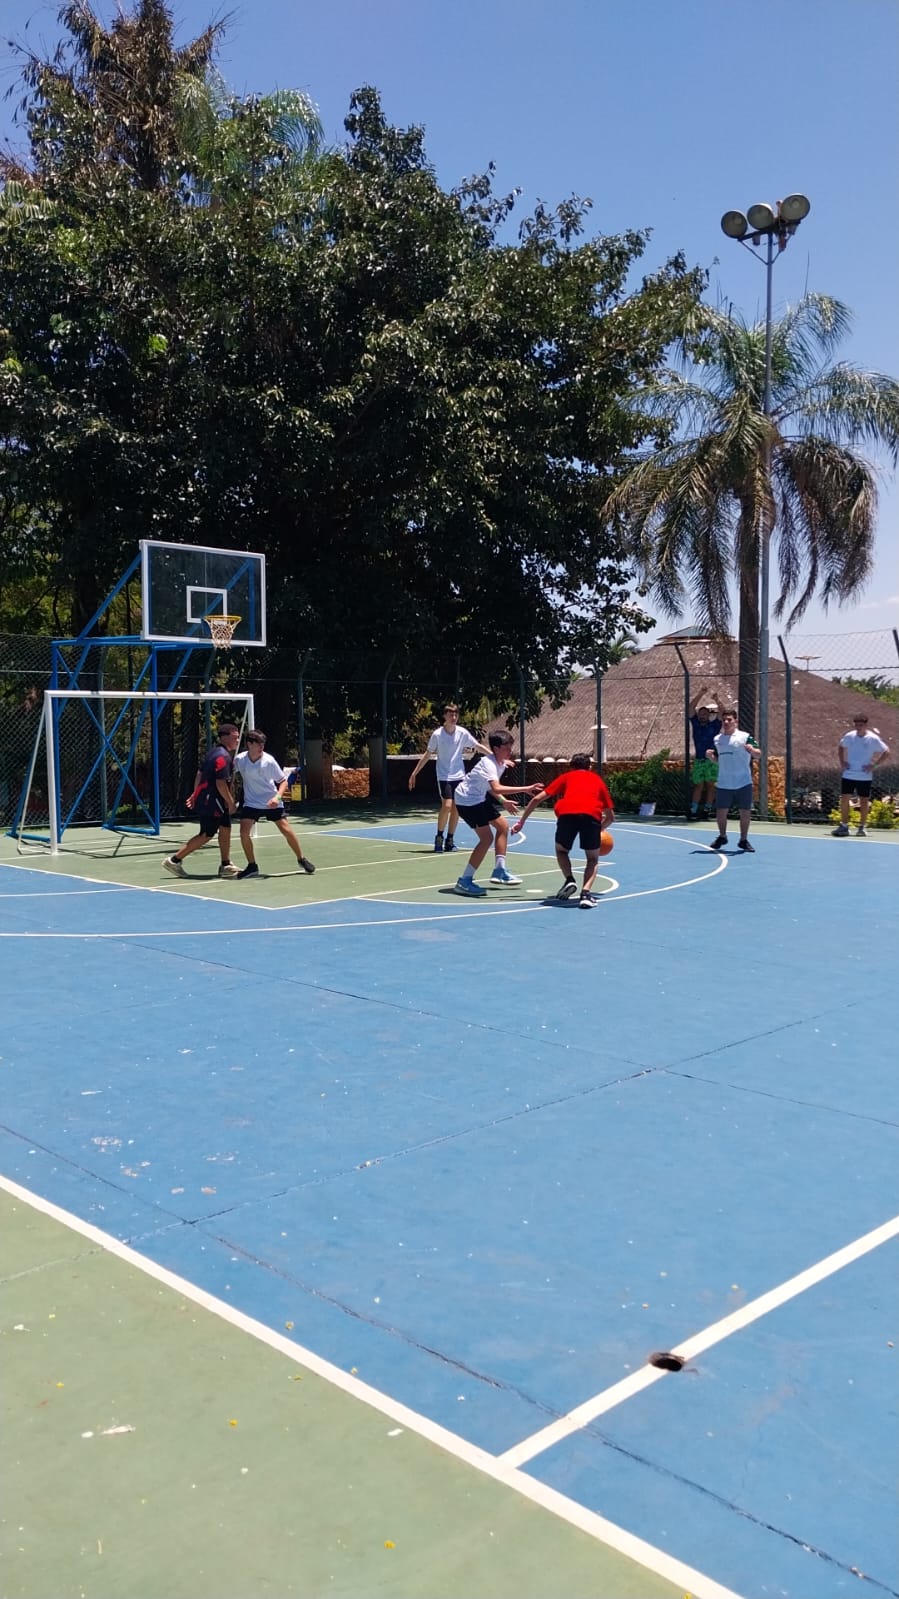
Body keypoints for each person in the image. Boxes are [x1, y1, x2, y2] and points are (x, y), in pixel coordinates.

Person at [511, 753, 614, 908]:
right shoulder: (597, 780)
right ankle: (585, 894)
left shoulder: (566, 777)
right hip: (591, 815)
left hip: (567, 814)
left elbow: (537, 799)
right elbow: (610, 817)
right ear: (590, 766)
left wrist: (521, 822)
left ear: (571, 766)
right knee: (592, 859)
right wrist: (599, 829)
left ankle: (569, 879)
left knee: (561, 851)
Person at [450, 731, 542, 896]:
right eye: (506, 748)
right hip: (467, 801)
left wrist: (503, 801)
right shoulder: (489, 764)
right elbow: (496, 788)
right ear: (496, 748)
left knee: (503, 826)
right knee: (486, 839)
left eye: (510, 747)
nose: (510, 751)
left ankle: (499, 870)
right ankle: (464, 881)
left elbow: (490, 788)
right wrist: (525, 788)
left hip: (478, 798)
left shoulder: (500, 763)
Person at [408, 705, 492, 853]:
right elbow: (427, 754)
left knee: (456, 808)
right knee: (447, 805)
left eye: (455, 715)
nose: (453, 717)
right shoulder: (437, 734)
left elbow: (477, 746)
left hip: (459, 776)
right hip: (444, 776)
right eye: (450, 715)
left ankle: (450, 840)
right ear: (445, 716)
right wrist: (414, 773)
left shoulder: (462, 733)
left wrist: (494, 757)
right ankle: (439, 837)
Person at [232, 730, 316, 878]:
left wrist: (277, 798)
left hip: (271, 801)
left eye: (263, 744)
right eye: (258, 743)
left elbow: (283, 781)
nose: (261, 747)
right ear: (249, 744)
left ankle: (301, 858)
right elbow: (230, 776)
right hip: (251, 803)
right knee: (244, 833)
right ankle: (252, 866)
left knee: (286, 830)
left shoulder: (269, 761)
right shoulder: (240, 760)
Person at [164, 723, 241, 878]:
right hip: (212, 801)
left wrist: (195, 794)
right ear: (224, 737)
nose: (238, 740)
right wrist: (231, 802)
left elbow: (200, 774)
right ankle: (174, 860)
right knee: (206, 834)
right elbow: (220, 783)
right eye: (235, 737)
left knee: (225, 827)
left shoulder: (213, 753)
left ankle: (225, 864)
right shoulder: (222, 757)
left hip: (215, 800)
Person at [706, 710, 761, 852]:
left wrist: (752, 750)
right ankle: (722, 836)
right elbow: (719, 760)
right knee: (721, 811)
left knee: (745, 811)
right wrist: (711, 758)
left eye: (729, 719)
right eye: (724, 719)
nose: (726, 722)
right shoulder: (717, 739)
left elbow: (758, 754)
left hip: (743, 782)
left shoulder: (745, 737)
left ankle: (743, 840)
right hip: (724, 782)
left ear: (735, 721)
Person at [832, 714, 890, 836]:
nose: (858, 727)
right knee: (844, 799)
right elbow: (841, 747)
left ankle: (862, 827)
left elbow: (886, 751)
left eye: (861, 725)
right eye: (856, 725)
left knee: (864, 801)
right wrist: (842, 762)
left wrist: (874, 766)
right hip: (848, 774)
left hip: (864, 776)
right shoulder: (849, 736)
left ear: (866, 725)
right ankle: (844, 826)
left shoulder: (873, 738)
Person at [689, 691, 722, 819]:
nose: (702, 716)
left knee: (710, 785)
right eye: (700, 714)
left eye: (705, 714)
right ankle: (693, 810)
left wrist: (717, 700)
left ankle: (707, 810)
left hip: (711, 760)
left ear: (709, 715)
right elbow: (691, 708)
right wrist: (700, 694)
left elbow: (722, 713)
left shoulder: (714, 726)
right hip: (699, 760)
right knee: (698, 785)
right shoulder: (696, 724)